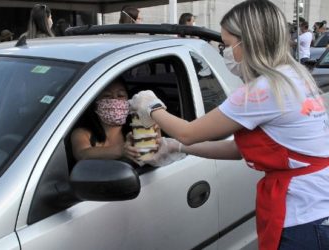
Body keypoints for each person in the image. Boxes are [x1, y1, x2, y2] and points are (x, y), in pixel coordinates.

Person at [129, 1, 329, 250]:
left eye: (226, 44)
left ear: (248, 43)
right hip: (319, 207)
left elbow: (188, 132)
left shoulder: (263, 90)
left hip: (304, 217)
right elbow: (239, 150)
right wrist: (177, 146)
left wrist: (151, 106)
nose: (224, 52)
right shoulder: (293, 76)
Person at [70, 77, 140, 164]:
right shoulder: (82, 133)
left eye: (120, 95)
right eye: (107, 96)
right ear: (95, 103)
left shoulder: (137, 130)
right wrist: (121, 151)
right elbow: (82, 154)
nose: (114, 99)